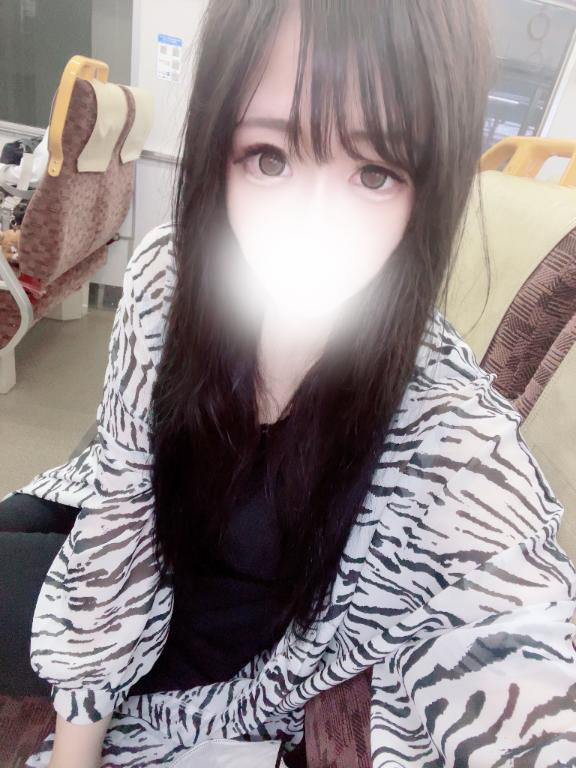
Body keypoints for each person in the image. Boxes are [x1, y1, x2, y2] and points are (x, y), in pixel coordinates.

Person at [1, 1, 575, 766]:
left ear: (426, 192)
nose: (313, 227)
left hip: (196, 646)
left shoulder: (443, 434)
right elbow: (121, 520)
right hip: (128, 527)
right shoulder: (171, 277)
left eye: (374, 173)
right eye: (269, 158)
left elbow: (520, 639)